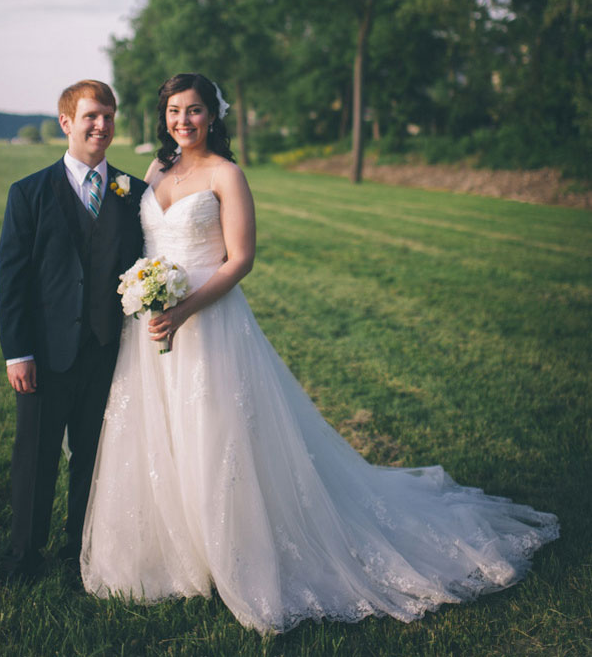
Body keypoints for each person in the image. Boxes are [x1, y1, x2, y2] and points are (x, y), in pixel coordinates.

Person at [80, 73, 558, 633]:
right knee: (162, 432)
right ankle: (177, 554)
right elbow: (148, 244)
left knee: (215, 433)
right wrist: (146, 293)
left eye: (195, 111)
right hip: (154, 328)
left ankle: (231, 553)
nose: (183, 121)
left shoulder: (226, 175)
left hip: (208, 324)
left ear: (214, 116)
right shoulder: (157, 172)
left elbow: (240, 260)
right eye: (174, 112)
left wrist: (183, 309)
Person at [0, 79, 146, 580]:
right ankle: (24, 555)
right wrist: (18, 353)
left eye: (108, 116)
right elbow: (12, 281)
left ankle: (80, 549)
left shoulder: (133, 192)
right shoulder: (29, 193)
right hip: (44, 352)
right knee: (36, 457)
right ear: (66, 122)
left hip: (108, 349)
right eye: (91, 117)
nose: (101, 125)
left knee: (94, 456)